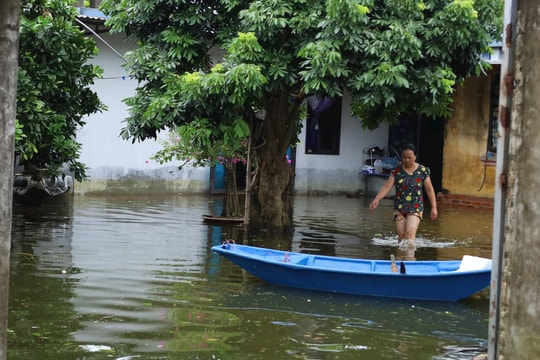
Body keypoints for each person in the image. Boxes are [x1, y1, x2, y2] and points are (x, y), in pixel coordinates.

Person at [369, 144, 438, 250]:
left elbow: (429, 189)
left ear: (415, 157)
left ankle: (410, 260)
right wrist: (377, 199)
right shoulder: (396, 171)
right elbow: (387, 187)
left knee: (410, 235)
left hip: (415, 207)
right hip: (400, 208)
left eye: (409, 157)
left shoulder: (422, 171)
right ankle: (400, 260)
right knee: (401, 238)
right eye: (404, 157)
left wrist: (434, 207)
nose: (406, 160)